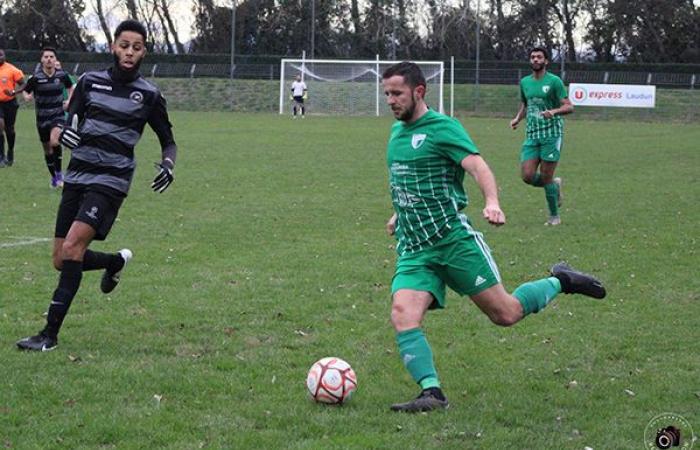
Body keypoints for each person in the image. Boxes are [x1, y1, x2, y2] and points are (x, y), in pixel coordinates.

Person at [381, 62, 605, 413]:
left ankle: (561, 280)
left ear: (419, 91)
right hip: (415, 248)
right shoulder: (396, 134)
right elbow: (409, 179)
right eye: (387, 94)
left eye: (396, 93)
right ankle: (432, 393)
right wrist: (400, 212)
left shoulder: (443, 128)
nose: (390, 100)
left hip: (453, 242)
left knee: (506, 314)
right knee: (402, 313)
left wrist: (492, 201)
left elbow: (477, 166)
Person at [16, 19, 178, 352]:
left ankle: (49, 335)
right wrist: (64, 132)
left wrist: (168, 165)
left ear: (144, 51)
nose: (129, 52)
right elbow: (64, 123)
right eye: (124, 45)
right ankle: (114, 261)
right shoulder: (89, 82)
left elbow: (168, 141)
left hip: (111, 181)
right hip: (77, 176)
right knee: (61, 258)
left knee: (73, 246)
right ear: (113, 46)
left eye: (136, 47)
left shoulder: (149, 94)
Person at [510, 47, 573, 226]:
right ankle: (554, 185)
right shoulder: (525, 82)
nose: (535, 59)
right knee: (527, 175)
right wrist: (517, 118)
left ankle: (554, 217)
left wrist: (553, 112)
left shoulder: (554, 82)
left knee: (545, 176)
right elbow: (526, 104)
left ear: (546, 61)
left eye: (539, 57)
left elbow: (569, 106)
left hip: (551, 135)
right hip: (532, 135)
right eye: (532, 57)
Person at [9, 48, 75, 188]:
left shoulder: (62, 75)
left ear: (55, 59)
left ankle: (59, 174)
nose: (49, 59)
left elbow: (70, 88)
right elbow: (26, 92)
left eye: (52, 56)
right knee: (47, 149)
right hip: (42, 118)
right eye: (46, 57)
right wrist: (27, 97)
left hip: (57, 115)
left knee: (55, 142)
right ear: (42, 60)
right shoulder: (36, 78)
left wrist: (69, 100)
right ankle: (54, 177)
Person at [0, 49, 25, 167]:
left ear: (4, 56)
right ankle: (1, 156)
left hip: (10, 103)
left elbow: (24, 84)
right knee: (0, 125)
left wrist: (14, 92)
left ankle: (10, 151)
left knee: (9, 129)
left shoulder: (12, 70)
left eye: (0, 55)